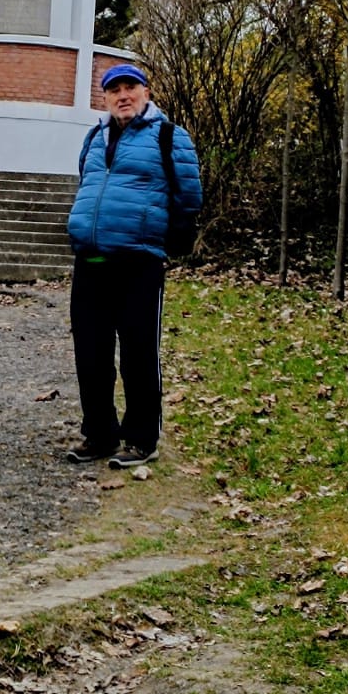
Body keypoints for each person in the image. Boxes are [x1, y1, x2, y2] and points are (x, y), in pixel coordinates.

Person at [65, 63, 201, 469]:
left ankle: (142, 439)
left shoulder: (169, 136)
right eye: (114, 90)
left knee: (139, 353)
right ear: (105, 98)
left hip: (139, 261)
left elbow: (189, 196)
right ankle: (100, 434)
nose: (122, 96)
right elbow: (87, 183)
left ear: (145, 93)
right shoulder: (94, 136)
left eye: (130, 87)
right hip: (91, 259)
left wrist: (163, 239)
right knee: (91, 354)